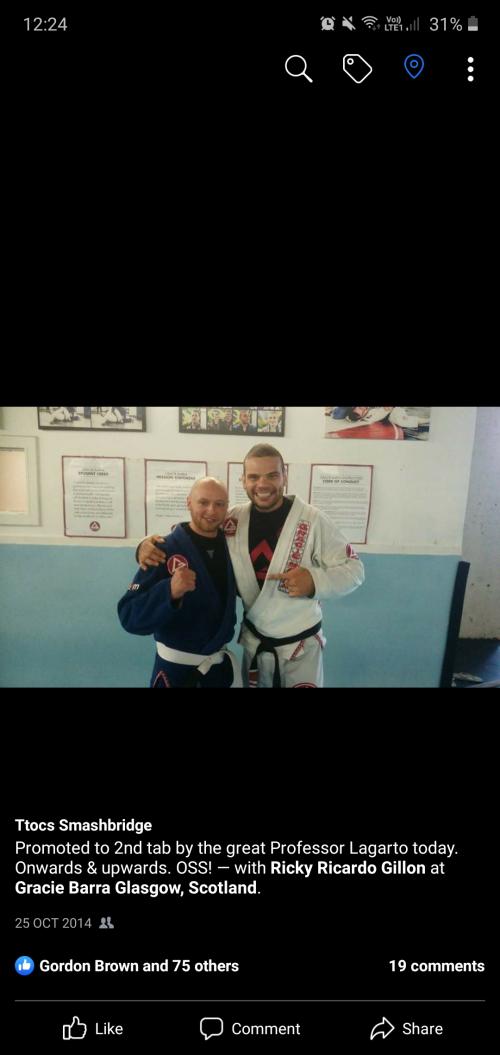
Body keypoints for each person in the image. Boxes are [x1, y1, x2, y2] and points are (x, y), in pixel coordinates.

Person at [137, 446, 364, 688]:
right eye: (254, 477)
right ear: (243, 480)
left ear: (284, 476)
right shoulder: (233, 519)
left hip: (300, 648)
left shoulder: (312, 520)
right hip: (256, 644)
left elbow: (354, 569)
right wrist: (145, 545)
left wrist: (313, 581)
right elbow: (195, 531)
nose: (262, 484)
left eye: (272, 475)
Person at [118, 478, 241, 688]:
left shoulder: (233, 546)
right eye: (203, 502)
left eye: (219, 504)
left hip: (218, 673)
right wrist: (169, 592)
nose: (211, 511)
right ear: (189, 503)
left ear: (227, 507)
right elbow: (128, 614)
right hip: (175, 674)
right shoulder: (162, 550)